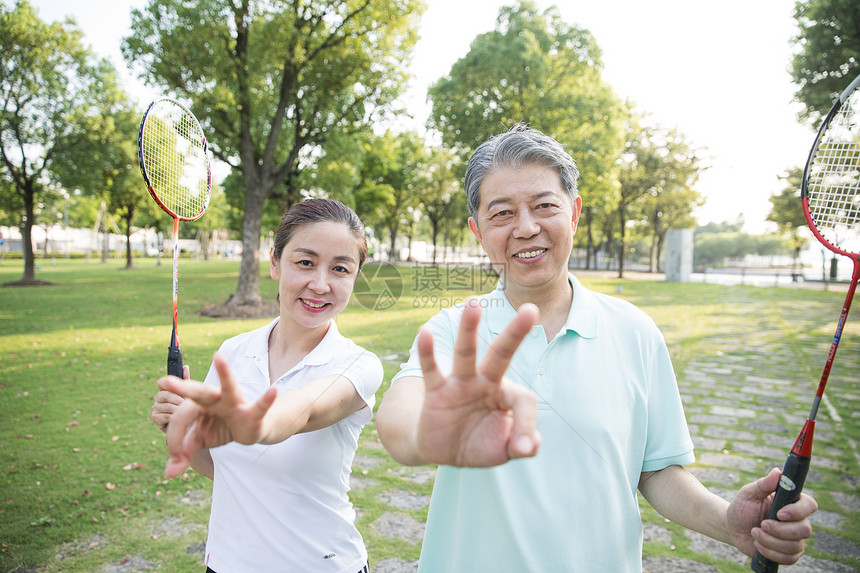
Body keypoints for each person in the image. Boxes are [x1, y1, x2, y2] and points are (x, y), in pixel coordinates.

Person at [374, 124, 818, 571]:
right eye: (502, 214)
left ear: (574, 212)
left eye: (544, 205)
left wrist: (730, 523)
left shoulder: (635, 331)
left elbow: (655, 470)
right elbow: (398, 418)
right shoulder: (455, 330)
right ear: (477, 230)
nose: (526, 228)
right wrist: (430, 432)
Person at [151, 198, 382, 573]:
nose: (320, 284)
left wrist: (252, 421)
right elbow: (225, 470)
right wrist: (178, 427)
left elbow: (302, 411)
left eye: (340, 269)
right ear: (274, 263)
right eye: (305, 262)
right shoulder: (233, 353)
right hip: (227, 562)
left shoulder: (358, 365)